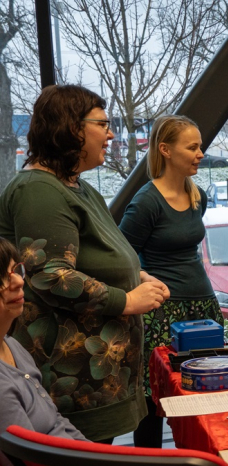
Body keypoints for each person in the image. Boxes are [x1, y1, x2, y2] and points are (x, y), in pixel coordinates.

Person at [0, 84, 169, 443]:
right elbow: (48, 275)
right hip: (71, 383)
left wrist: (134, 275)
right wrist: (126, 300)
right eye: (102, 124)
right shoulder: (38, 189)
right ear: (71, 127)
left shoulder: (77, 187)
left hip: (97, 380)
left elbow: (96, 256)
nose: (111, 134)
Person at [119, 115, 223, 448]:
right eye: (192, 147)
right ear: (165, 150)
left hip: (203, 308)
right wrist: (145, 279)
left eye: (200, 146)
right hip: (163, 314)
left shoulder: (198, 196)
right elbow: (123, 258)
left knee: (204, 396)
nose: (201, 153)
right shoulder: (147, 202)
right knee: (154, 403)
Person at [0, 237, 87, 466]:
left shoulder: (12, 344)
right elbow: (34, 458)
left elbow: (55, 422)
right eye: (1, 278)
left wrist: (95, 453)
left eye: (15, 270)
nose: (18, 282)